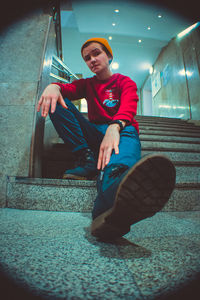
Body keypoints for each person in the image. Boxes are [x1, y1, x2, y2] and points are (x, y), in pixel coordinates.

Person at [37, 37, 176, 241]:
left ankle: (106, 213)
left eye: (96, 53)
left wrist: (116, 125)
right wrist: (54, 87)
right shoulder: (87, 84)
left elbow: (129, 105)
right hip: (95, 135)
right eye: (87, 58)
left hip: (123, 131)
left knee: (117, 168)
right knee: (57, 102)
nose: (92, 59)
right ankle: (87, 159)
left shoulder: (124, 82)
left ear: (109, 56)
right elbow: (67, 90)